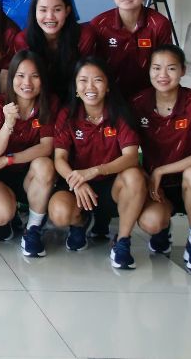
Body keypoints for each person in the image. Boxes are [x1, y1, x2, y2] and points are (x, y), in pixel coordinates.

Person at [48, 58, 147, 270]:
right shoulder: (68, 114)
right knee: (59, 213)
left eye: (98, 80)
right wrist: (76, 181)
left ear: (108, 86)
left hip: (112, 185)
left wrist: (95, 171)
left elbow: (131, 157)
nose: (90, 87)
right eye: (83, 80)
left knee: (134, 175)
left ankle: (122, 241)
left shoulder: (120, 112)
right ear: (75, 87)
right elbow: (59, 159)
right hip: (78, 185)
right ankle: (80, 223)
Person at [133, 45, 191, 273]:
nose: (163, 75)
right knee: (151, 222)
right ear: (149, 70)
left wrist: (161, 170)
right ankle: (162, 230)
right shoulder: (138, 103)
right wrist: (147, 176)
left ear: (183, 71)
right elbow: (126, 151)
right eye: (156, 68)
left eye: (171, 68)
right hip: (157, 186)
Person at [0, 50, 57, 257]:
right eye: (21, 75)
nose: (27, 83)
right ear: (11, 78)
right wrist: (8, 123)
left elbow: (46, 147)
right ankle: (10, 215)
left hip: (30, 174)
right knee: (0, 216)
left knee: (45, 164)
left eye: (34, 76)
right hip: (1, 175)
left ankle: (33, 229)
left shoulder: (49, 103)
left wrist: (7, 160)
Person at [91, 0, 172, 99]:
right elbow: (89, 67)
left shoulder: (159, 24)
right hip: (109, 95)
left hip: (149, 95)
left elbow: (166, 65)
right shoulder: (99, 24)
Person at [12, 0, 97, 101]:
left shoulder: (84, 36)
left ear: (67, 11)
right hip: (38, 101)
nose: (50, 17)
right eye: (43, 10)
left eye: (57, 10)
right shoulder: (22, 39)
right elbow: (23, 83)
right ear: (34, 12)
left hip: (76, 99)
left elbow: (87, 79)